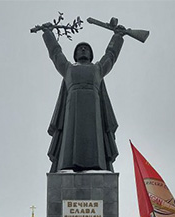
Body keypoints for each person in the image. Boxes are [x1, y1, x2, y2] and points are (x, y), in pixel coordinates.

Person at [38, 23, 126, 172]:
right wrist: (48, 33)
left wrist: (117, 36)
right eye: (79, 48)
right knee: (70, 139)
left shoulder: (98, 68)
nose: (83, 50)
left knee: (95, 139)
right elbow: (55, 53)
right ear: (75, 54)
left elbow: (111, 56)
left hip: (94, 110)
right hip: (72, 109)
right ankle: (69, 165)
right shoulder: (68, 69)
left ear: (91, 54)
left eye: (86, 48)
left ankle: (96, 165)